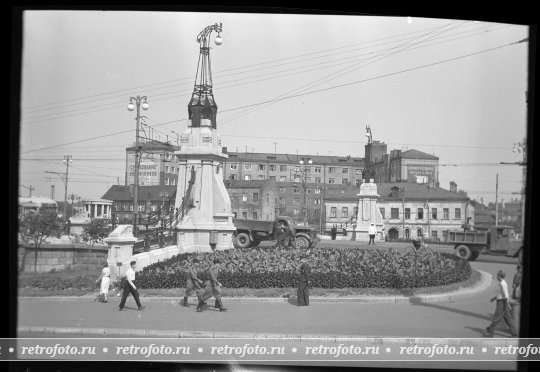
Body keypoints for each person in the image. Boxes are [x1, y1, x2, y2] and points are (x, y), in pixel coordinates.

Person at [486, 270, 517, 337]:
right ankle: (514, 332)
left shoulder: (503, 284)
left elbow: (505, 295)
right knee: (507, 318)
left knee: (497, 316)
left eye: (497, 275)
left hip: (502, 302)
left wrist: (507, 304)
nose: (496, 276)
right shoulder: (500, 283)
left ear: (500, 276)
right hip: (501, 301)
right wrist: (494, 298)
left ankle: (490, 330)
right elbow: (500, 293)